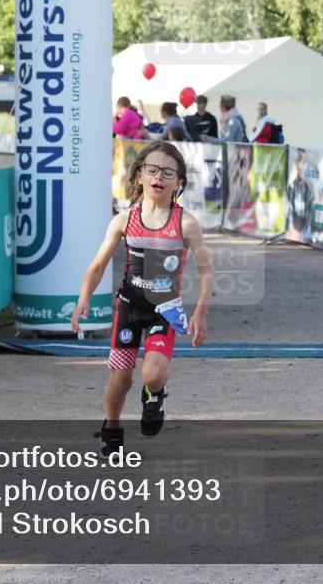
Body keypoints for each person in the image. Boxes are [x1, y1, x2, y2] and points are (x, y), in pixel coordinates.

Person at [71, 141, 213, 456]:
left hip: (165, 310)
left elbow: (207, 270)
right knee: (120, 380)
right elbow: (97, 266)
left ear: (178, 182)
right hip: (130, 308)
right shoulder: (125, 220)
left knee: (153, 372)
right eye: (151, 169)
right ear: (138, 176)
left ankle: (154, 395)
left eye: (167, 172)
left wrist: (200, 312)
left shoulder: (185, 223)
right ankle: (112, 427)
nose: (158, 176)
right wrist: (84, 298)